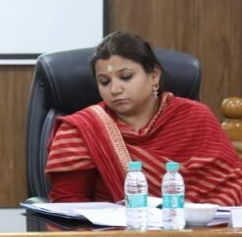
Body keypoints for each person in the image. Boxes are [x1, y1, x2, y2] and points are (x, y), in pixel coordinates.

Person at [45, 31, 242, 205]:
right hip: (112, 233)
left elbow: (231, 185)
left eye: (126, 77)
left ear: (154, 75)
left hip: (200, 231)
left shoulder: (195, 118)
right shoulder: (82, 129)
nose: (115, 89)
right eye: (104, 81)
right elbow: (68, 207)